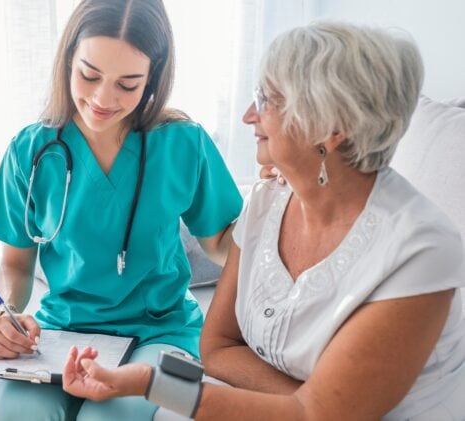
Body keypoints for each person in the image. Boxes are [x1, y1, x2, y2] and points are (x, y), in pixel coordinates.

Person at [62, 21, 465, 420]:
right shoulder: (266, 201)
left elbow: (316, 415)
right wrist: (316, 400)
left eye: (267, 100)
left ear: (332, 127)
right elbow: (218, 347)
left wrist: (151, 382)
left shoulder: (421, 251)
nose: (249, 116)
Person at [0, 0, 243, 419]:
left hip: (160, 333)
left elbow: (221, 245)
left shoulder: (182, 144)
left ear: (153, 79)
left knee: (107, 418)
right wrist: (6, 314)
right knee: (15, 412)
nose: (103, 98)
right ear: (68, 61)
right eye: (89, 75)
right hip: (61, 331)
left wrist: (285, 205)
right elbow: (15, 266)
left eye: (127, 84)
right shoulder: (29, 151)